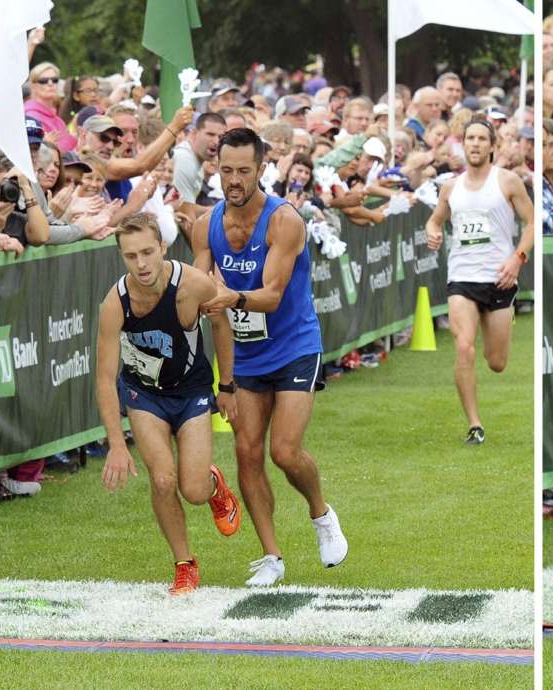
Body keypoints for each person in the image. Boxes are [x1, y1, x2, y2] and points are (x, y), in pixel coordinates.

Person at [192, 127, 348, 586]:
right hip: (245, 356)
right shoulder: (205, 225)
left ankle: (321, 514)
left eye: (244, 171)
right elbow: (198, 288)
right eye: (226, 170)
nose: (234, 180)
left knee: (284, 450)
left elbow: (273, 295)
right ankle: (271, 556)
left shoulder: (285, 220)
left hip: (295, 345)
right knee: (246, 451)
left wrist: (227, 297)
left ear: (262, 169)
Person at [94, 213, 242, 595]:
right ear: (122, 257)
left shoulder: (192, 284)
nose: (141, 264)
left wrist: (227, 385)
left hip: (191, 390)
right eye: (131, 256)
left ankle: (214, 484)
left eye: (147, 252)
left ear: (163, 247)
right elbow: (104, 378)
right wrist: (116, 444)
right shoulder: (115, 303)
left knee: (193, 490)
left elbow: (221, 324)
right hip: (144, 395)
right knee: (162, 480)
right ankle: (184, 564)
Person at [424, 118, 534, 444]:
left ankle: (500, 321)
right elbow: (435, 220)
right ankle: (474, 424)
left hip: (499, 277)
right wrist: (432, 232)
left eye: (481, 139)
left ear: (492, 146)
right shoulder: (450, 187)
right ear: (463, 144)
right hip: (462, 277)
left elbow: (531, 223)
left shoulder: (508, 181)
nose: (475, 144)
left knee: (497, 362)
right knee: (463, 346)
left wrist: (517, 258)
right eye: (470, 138)